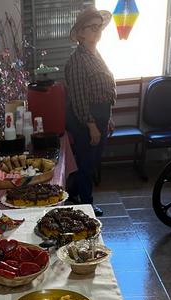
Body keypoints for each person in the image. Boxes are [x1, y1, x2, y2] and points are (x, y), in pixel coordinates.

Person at [65, 8, 116, 217]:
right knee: (87, 162)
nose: (97, 31)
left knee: (91, 161)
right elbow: (79, 98)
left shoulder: (96, 55)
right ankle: (86, 205)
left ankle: (72, 195)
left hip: (101, 115)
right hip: (86, 118)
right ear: (80, 33)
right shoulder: (77, 60)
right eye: (92, 27)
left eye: (99, 27)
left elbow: (104, 88)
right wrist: (92, 125)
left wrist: (108, 117)